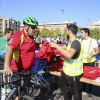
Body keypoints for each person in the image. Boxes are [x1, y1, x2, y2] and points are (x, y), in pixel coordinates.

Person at [4, 17, 38, 100]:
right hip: (17, 70)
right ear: (26, 27)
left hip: (27, 71)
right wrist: (7, 66)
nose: (34, 30)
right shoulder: (18, 35)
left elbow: (30, 47)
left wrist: (40, 45)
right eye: (33, 27)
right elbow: (10, 49)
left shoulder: (31, 37)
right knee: (16, 93)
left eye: (35, 28)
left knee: (22, 91)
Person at [49, 24, 83, 100]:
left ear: (69, 31)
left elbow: (69, 55)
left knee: (75, 92)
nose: (66, 31)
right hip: (66, 71)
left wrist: (56, 46)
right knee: (61, 84)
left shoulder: (76, 42)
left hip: (73, 73)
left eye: (67, 30)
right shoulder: (70, 42)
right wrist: (53, 45)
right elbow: (65, 47)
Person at [81, 28, 99, 99]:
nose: (81, 34)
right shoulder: (81, 41)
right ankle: (84, 89)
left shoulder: (93, 41)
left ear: (86, 33)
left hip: (91, 61)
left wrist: (91, 55)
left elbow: (97, 51)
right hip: (82, 61)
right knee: (83, 76)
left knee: (91, 77)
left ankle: (90, 92)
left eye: (82, 32)